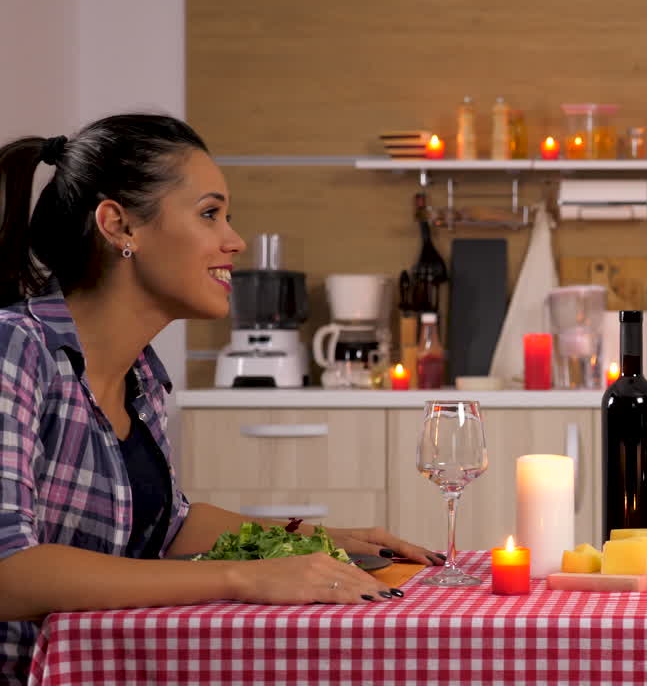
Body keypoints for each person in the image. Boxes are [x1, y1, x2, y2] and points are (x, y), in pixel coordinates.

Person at [0, 114, 442, 685]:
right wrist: (244, 576)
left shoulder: (143, 377)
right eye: (210, 214)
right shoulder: (17, 349)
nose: (233, 241)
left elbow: (165, 526)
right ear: (118, 225)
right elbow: (8, 571)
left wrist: (315, 539)